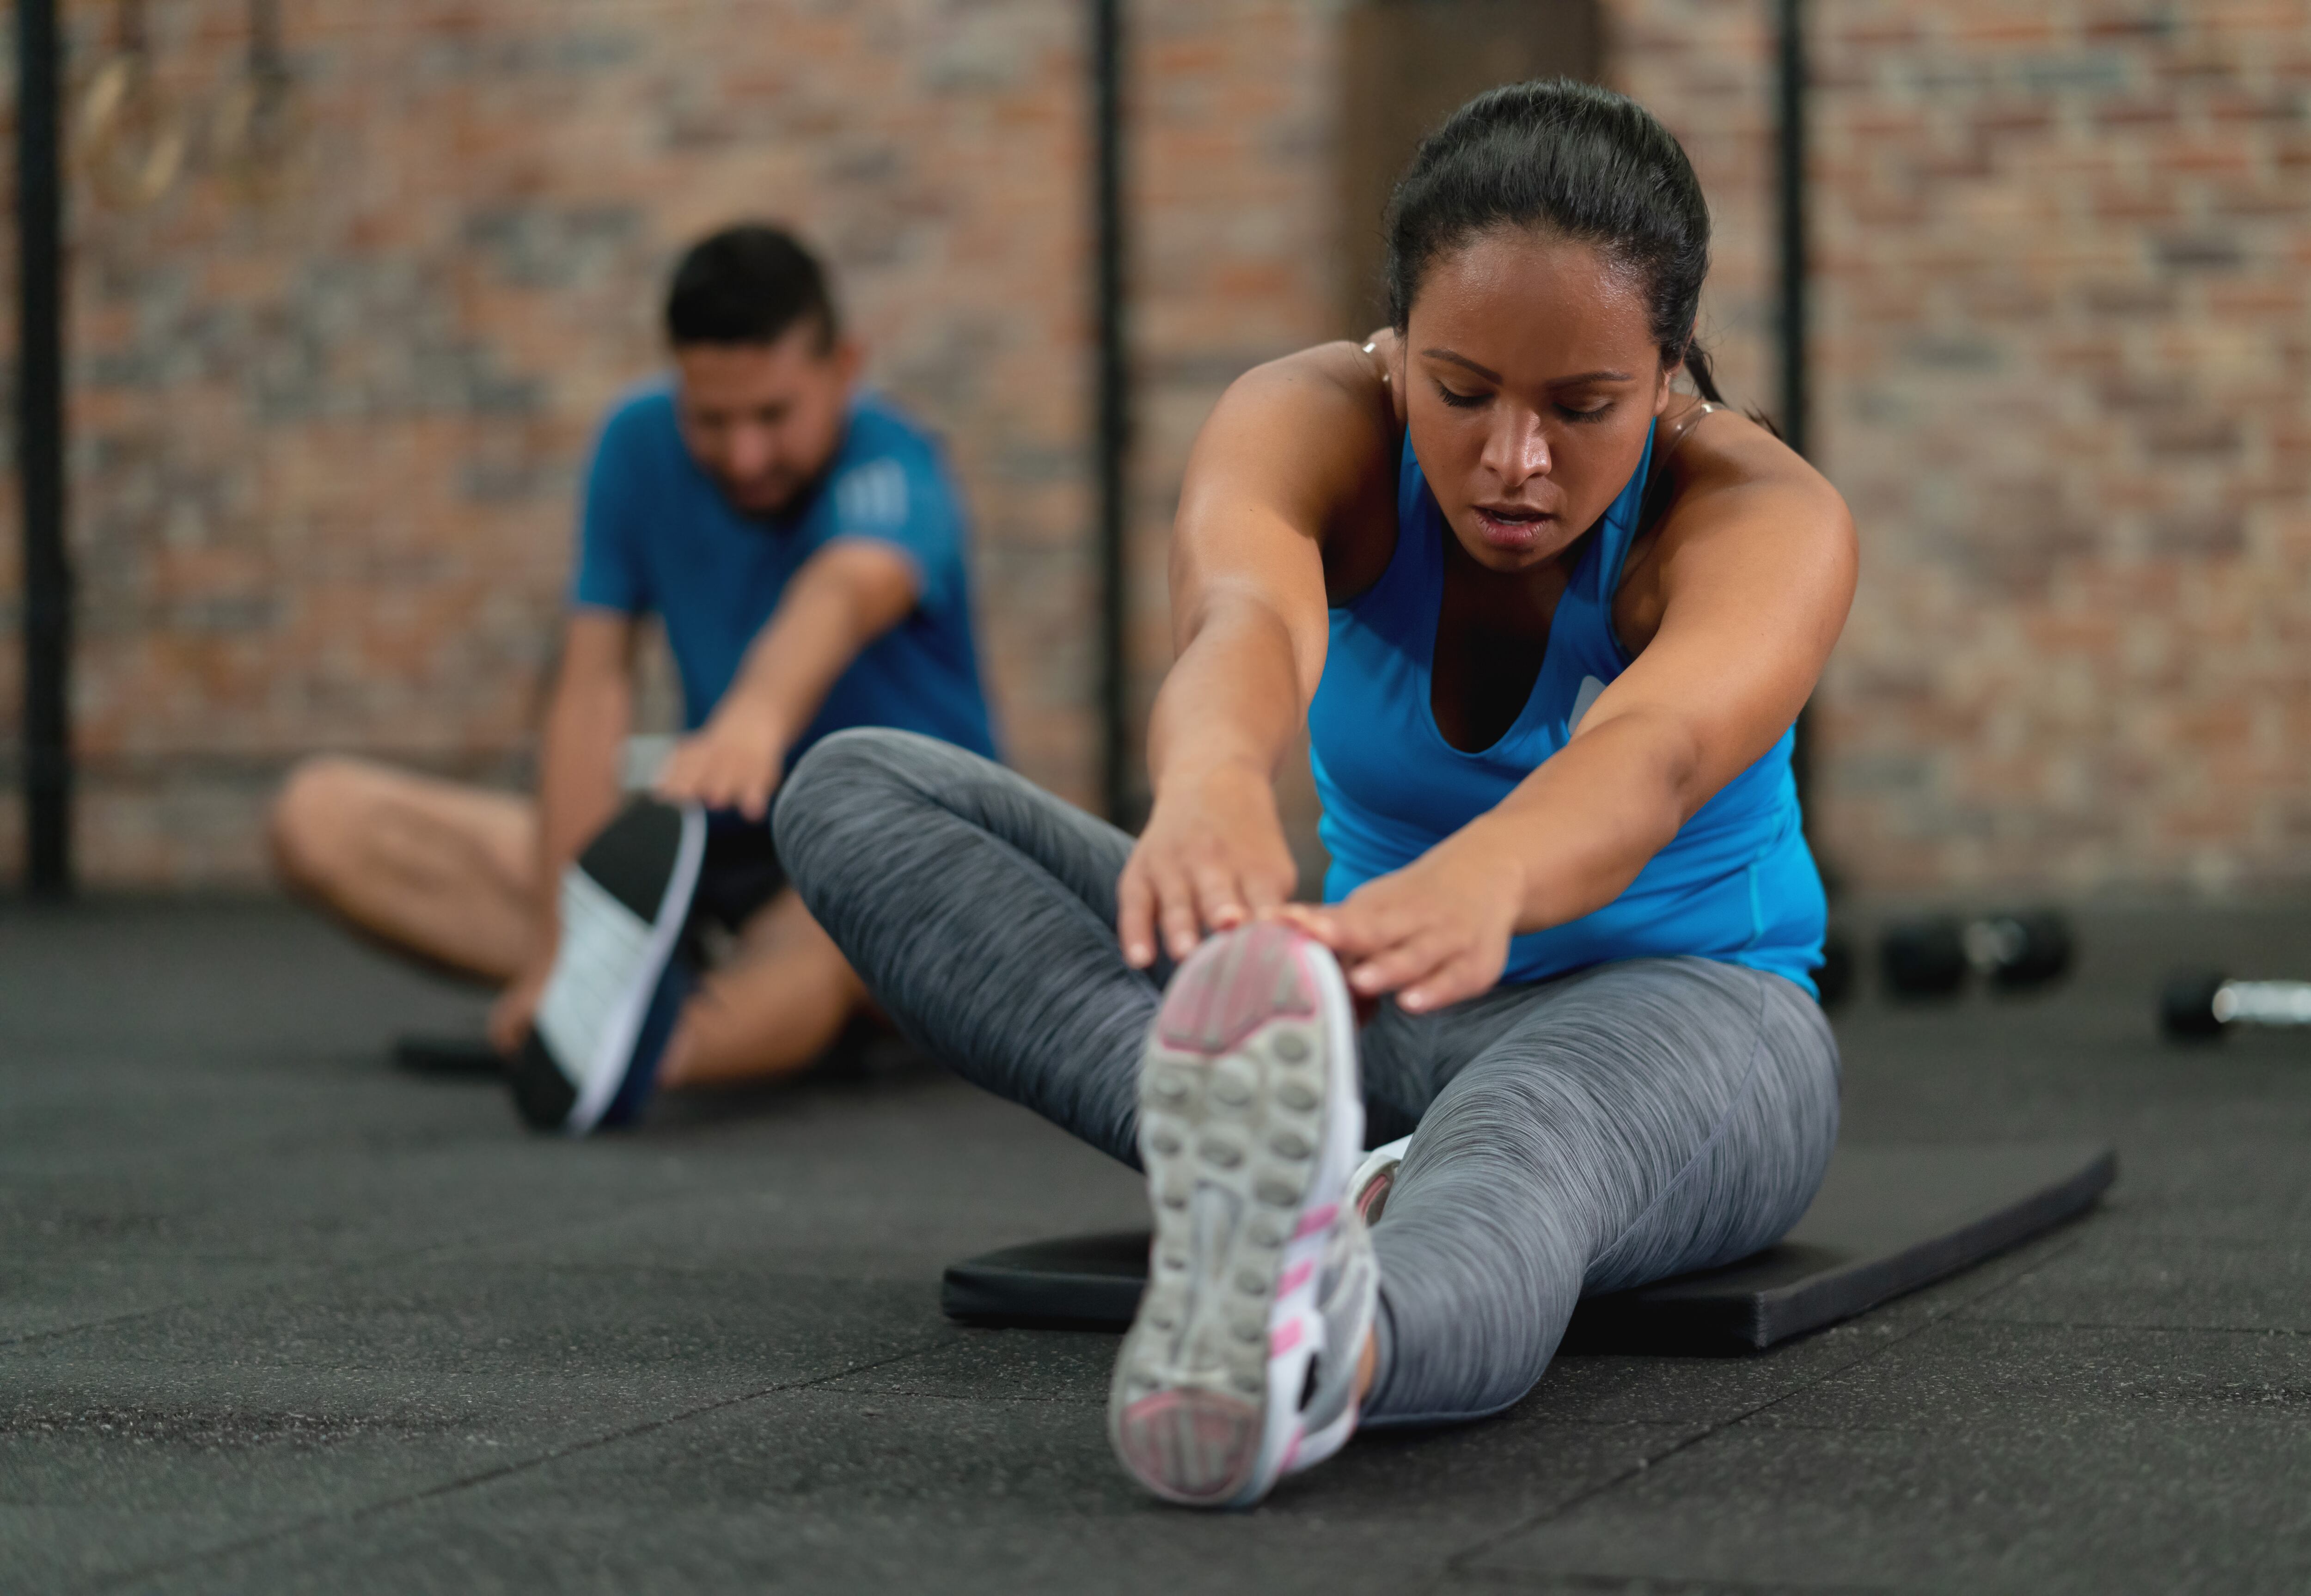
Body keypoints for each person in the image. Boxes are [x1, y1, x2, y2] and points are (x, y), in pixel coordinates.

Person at [771, 79, 1857, 1507]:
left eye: (1582, 408)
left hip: (1699, 1018)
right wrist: (1214, 786)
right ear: (1394, 353)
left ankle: (1317, 1348)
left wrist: (1491, 875)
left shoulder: (1761, 517)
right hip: (1374, 1006)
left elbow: (1645, 758)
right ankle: (1297, 1161)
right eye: (1462, 392)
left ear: (1667, 382)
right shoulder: (1312, 421)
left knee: (1525, 1135)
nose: (1512, 459)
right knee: (858, 791)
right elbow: (1246, 621)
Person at [269, 223, 998, 1132]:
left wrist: (753, 722)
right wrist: (554, 947)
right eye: (712, 420)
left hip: (893, 864)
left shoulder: (894, 464)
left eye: (773, 417)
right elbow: (591, 687)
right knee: (320, 817)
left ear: (844, 367)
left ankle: (639, 1054)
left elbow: (841, 594)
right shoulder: (634, 443)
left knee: (831, 941)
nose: (744, 456)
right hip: (719, 847)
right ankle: (605, 994)